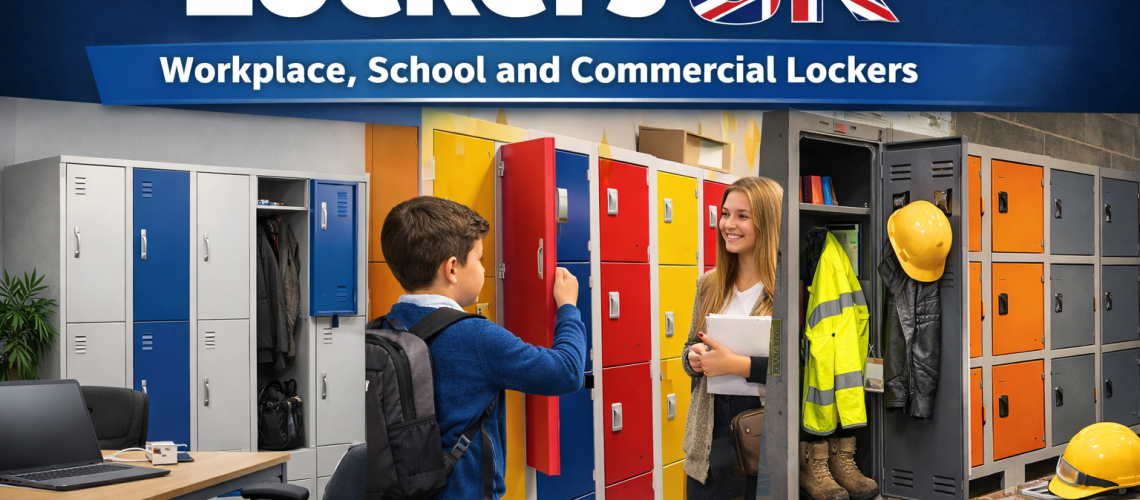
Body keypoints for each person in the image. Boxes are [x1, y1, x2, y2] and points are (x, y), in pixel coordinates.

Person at [379, 196, 587, 499]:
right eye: (480, 259)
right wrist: (568, 307)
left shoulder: (381, 329)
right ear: (452, 268)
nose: (483, 268)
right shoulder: (477, 338)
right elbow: (567, 372)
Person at [682, 176, 782, 499]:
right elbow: (686, 350)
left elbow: (787, 368)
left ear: (766, 223)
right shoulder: (710, 285)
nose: (728, 224)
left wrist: (735, 364)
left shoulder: (780, 293)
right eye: (726, 214)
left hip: (758, 441)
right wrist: (694, 358)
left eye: (742, 216)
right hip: (708, 445)